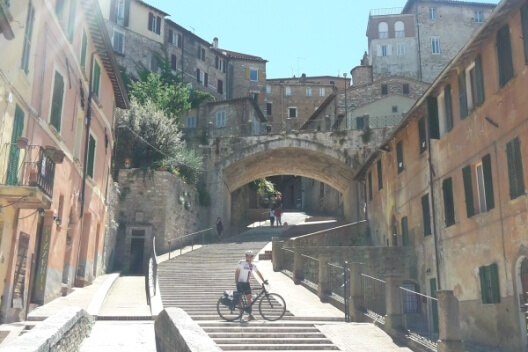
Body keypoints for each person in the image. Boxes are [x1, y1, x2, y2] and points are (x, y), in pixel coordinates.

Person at [235, 250, 266, 321]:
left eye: (250, 256)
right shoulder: (241, 263)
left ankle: (249, 315)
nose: (249, 257)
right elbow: (237, 272)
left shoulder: (252, 266)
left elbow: (258, 273)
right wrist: (236, 282)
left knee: (249, 299)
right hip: (240, 283)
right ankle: (240, 315)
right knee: (240, 299)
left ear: (252, 257)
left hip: (247, 283)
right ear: (245, 256)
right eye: (247, 256)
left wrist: (263, 280)